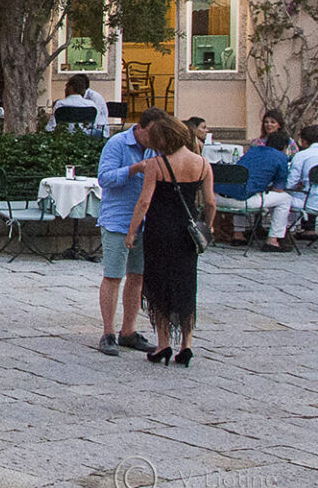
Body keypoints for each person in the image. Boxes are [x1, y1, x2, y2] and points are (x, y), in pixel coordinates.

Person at [124, 114, 216, 364]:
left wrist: (132, 231)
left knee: (159, 284)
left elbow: (144, 202)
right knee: (186, 283)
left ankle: (163, 343)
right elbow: (210, 202)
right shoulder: (202, 164)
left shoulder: (157, 164)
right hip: (187, 233)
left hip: (160, 231)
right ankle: (186, 344)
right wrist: (208, 226)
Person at [94, 109, 162, 355]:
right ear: (140, 127)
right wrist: (134, 169)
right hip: (118, 219)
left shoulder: (157, 148)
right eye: (151, 133)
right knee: (113, 275)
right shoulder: (118, 143)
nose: (154, 138)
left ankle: (129, 330)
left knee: (137, 276)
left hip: (145, 221)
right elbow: (104, 178)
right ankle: (108, 332)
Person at [216, 130, 294, 251]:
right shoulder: (281, 157)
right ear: (285, 147)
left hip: (218, 197)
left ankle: (238, 234)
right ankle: (273, 240)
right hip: (242, 201)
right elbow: (278, 189)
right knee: (285, 199)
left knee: (241, 189)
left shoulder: (252, 150)